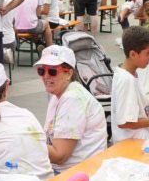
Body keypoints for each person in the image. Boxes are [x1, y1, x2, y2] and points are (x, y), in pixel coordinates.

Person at [36, 43, 108, 173]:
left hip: (75, 173)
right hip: (72, 169)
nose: (45, 76)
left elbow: (60, 156)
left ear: (69, 73)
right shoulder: (59, 94)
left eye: (52, 71)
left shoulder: (73, 99)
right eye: (42, 70)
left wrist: (29, 140)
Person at [113, 27, 149, 144]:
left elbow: (139, 111)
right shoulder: (126, 80)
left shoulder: (132, 74)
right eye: (148, 53)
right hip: (132, 147)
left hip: (139, 143)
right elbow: (125, 122)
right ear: (133, 54)